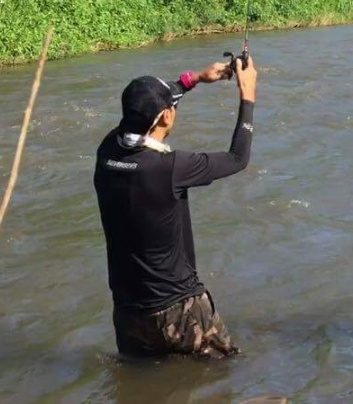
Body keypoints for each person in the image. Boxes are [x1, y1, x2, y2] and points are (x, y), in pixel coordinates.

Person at [93, 56, 258, 359]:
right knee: (223, 377)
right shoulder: (170, 168)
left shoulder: (106, 152)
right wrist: (247, 95)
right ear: (167, 116)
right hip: (181, 311)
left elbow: (145, 108)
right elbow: (238, 158)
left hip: (129, 314)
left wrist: (193, 78)